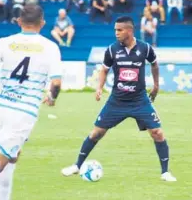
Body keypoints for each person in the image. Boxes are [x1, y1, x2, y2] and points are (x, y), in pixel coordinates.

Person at [61, 16, 177, 182]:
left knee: (158, 133)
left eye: (119, 30)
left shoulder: (145, 48)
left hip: (140, 100)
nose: (116, 33)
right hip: (117, 101)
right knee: (96, 133)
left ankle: (165, 172)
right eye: (115, 30)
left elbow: (155, 65)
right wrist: (99, 87)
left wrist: (156, 85)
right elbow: (104, 69)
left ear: (129, 31)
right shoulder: (112, 50)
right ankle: (77, 165)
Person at [0, 5, 62, 200]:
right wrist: (52, 97)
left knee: (11, 155)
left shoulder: (4, 42)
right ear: (42, 23)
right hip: (23, 111)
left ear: (19, 21)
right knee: (1, 159)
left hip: (0, 108)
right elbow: (56, 82)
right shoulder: (50, 47)